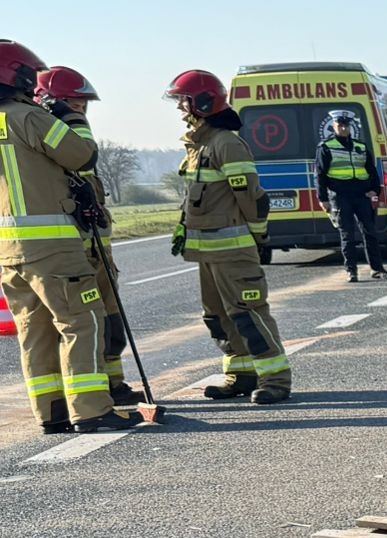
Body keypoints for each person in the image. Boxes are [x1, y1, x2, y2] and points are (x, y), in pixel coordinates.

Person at [0, 40, 133, 434]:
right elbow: (82, 155)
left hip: (8, 251)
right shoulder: (28, 117)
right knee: (82, 320)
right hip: (52, 247)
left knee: (34, 331)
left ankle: (52, 412)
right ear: (19, 76)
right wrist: (64, 116)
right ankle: (91, 410)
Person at [166, 69, 291, 403]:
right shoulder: (199, 145)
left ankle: (276, 380)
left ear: (204, 103)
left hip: (233, 252)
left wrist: (260, 238)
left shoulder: (226, 144)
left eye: (184, 101)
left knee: (249, 315)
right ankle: (242, 375)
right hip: (206, 252)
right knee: (219, 319)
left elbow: (251, 198)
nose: (180, 109)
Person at [34, 64, 140, 405]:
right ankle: (90, 396)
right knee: (83, 323)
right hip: (72, 251)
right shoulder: (51, 134)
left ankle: (115, 384)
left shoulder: (69, 133)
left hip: (97, 247)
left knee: (109, 322)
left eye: (83, 105)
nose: (82, 110)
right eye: (75, 103)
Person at [315, 110, 387, 283]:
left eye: (345, 125)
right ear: (334, 126)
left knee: (370, 232)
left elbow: (372, 171)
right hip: (340, 195)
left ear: (350, 126)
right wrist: (323, 199)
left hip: (361, 194)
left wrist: (375, 189)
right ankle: (351, 271)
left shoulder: (361, 146)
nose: (343, 128)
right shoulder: (326, 147)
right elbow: (320, 174)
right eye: (339, 125)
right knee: (347, 235)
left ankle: (377, 269)